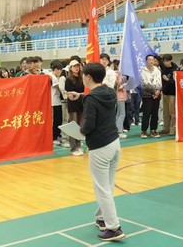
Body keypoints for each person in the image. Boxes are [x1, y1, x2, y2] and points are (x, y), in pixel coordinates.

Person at [79, 63, 125, 241]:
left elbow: (89, 124)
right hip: (114, 143)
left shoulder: (91, 98)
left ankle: (114, 228)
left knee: (102, 188)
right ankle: (101, 217)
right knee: (108, 185)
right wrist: (79, 95)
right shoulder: (109, 92)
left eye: (83, 75)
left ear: (88, 77)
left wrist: (80, 131)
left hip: (100, 147)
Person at [65, 60, 85, 156]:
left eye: (78, 66)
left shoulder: (82, 78)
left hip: (81, 104)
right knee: (73, 125)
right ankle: (73, 147)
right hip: (73, 105)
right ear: (70, 68)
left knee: (80, 126)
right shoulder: (68, 79)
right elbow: (70, 94)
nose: (76, 68)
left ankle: (79, 145)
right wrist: (78, 94)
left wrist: (79, 94)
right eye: (74, 66)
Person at [140, 54, 162, 138]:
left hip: (157, 95)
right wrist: (154, 91)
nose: (151, 61)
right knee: (146, 113)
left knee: (155, 114)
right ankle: (144, 131)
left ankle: (153, 130)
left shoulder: (157, 70)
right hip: (147, 95)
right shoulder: (143, 70)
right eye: (149, 60)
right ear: (146, 61)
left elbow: (160, 82)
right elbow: (144, 84)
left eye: (153, 60)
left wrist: (158, 91)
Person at [160, 54, 178, 136]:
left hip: (172, 94)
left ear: (171, 60)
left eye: (167, 61)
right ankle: (166, 128)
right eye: (164, 61)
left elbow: (174, 82)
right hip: (165, 93)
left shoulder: (175, 69)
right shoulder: (163, 69)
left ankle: (172, 129)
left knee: (172, 112)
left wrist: (167, 79)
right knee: (165, 112)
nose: (165, 63)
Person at [49, 61, 64, 146]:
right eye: (60, 70)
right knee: (56, 121)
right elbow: (59, 88)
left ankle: (57, 136)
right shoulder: (53, 77)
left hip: (56, 101)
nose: (60, 72)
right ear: (56, 69)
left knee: (58, 120)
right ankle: (54, 137)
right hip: (54, 101)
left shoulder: (52, 76)